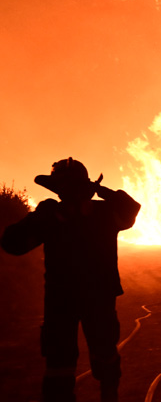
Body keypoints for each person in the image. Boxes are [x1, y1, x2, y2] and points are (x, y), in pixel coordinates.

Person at [1, 158, 141, 402]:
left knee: (105, 354)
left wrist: (99, 192)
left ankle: (109, 394)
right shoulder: (51, 217)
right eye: (67, 188)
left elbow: (131, 208)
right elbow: (12, 244)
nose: (72, 194)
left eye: (77, 187)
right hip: (62, 301)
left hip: (94, 299)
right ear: (58, 191)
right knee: (59, 364)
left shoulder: (104, 213)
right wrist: (44, 217)